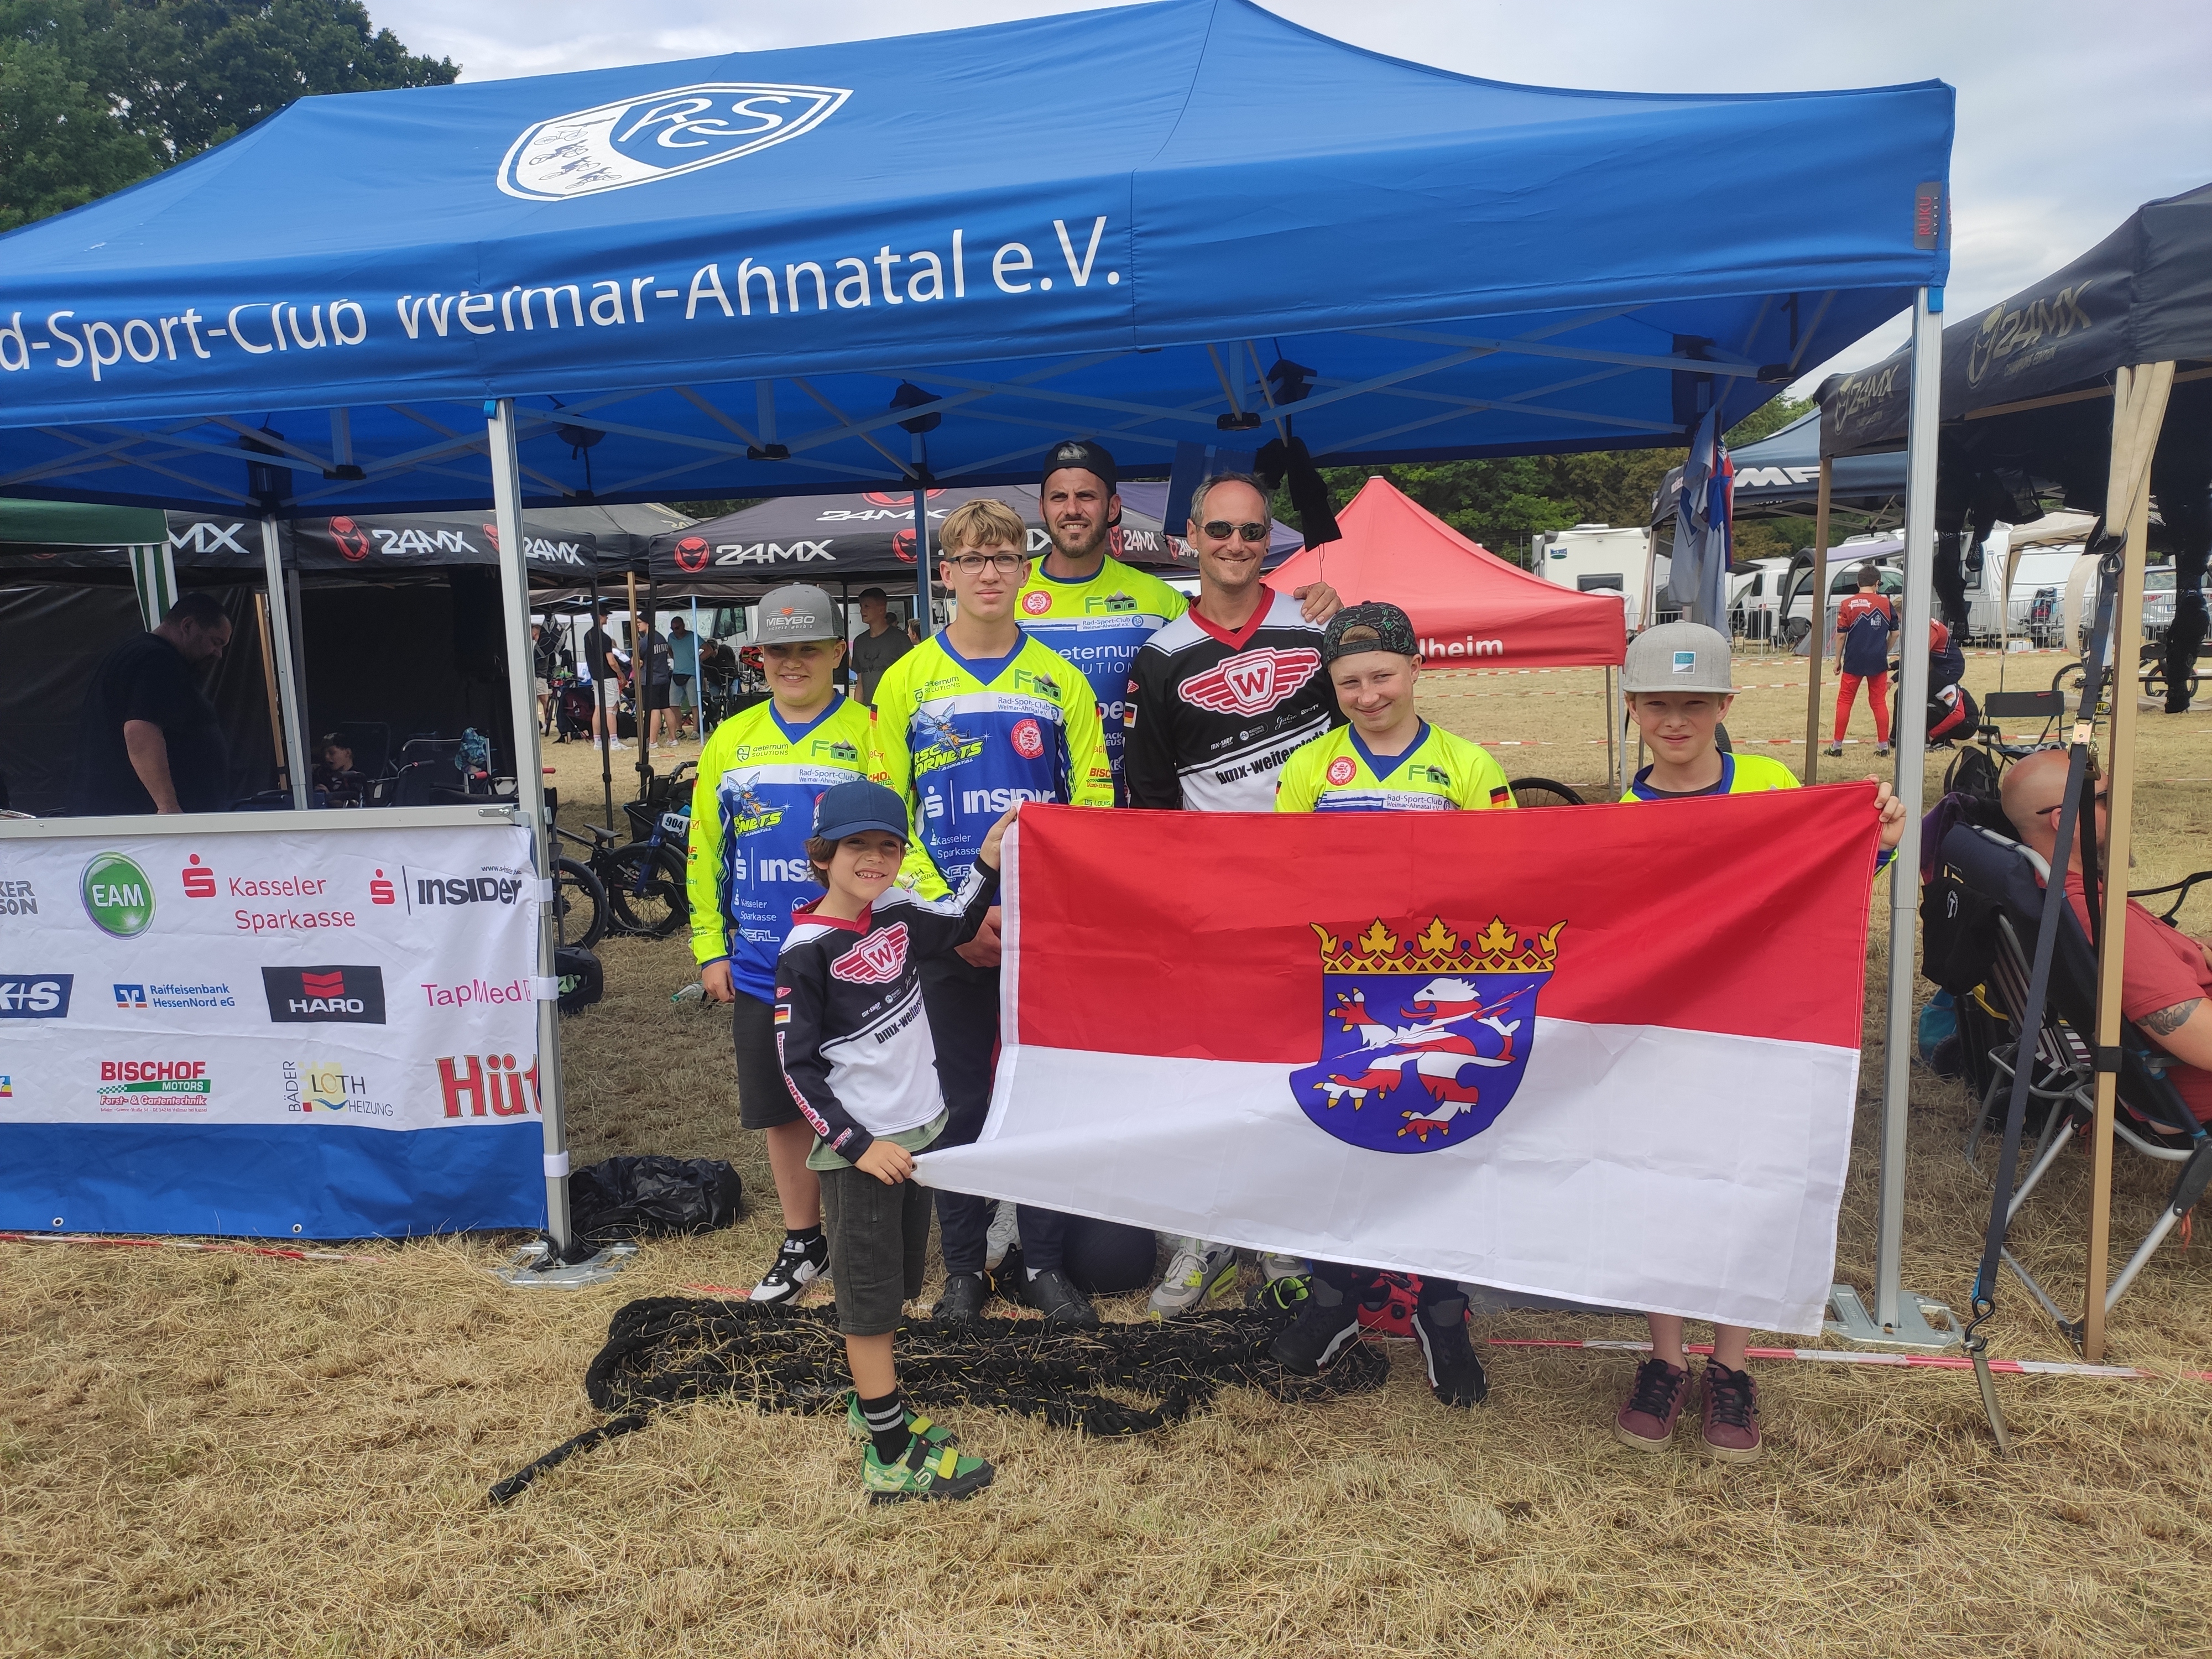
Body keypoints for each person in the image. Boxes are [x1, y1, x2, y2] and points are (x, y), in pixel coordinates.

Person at [1614, 622, 1905, 1462]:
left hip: (1760, 1030)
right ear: (1634, 708)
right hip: (1663, 1036)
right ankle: (1665, 1360)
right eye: (1660, 706)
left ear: (1724, 706)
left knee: (1746, 1186)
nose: (1677, 721)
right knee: (1665, 1189)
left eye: (1694, 705)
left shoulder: (1772, 785)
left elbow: (1824, 882)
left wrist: (1875, 846)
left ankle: (1731, 1367)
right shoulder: (1622, 814)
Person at [869, 496, 1114, 1326]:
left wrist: (1042, 913)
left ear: (1023, 568)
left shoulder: (1060, 680)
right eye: (971, 558)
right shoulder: (904, 683)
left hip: (1042, 935)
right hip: (948, 937)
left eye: (1004, 556)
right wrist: (959, 922)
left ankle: (1042, 1266)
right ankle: (966, 1273)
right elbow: (883, 824)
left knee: (1040, 1096)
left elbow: (1095, 811)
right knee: (961, 1104)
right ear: (945, 574)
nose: (988, 572)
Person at [1266, 603, 1511, 1408]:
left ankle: (1443, 1313)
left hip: (1443, 996)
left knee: (1442, 1144)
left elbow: (1510, 879)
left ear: (1414, 670)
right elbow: (1283, 879)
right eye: (1348, 683)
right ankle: (1336, 1300)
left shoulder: (1468, 765)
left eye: (1380, 676)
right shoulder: (1310, 768)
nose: (1367, 695)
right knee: (1341, 1141)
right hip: (1344, 992)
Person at [1124, 471, 1348, 1314]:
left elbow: (1373, 727)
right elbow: (1149, 801)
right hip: (1214, 902)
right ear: (1190, 536)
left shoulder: (1318, 626)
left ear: (1270, 541)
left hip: (1310, 893)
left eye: (1251, 533)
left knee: (1297, 1066)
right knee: (1210, 1074)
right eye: (1219, 531)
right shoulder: (1162, 654)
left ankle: (1287, 1243)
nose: (1234, 546)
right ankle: (1205, 1236)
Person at [776, 778, 1010, 1503]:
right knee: (871, 1302)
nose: (873, 859)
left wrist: (989, 862)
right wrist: (855, 1145)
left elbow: (956, 922)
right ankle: (888, 1452)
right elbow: (797, 1068)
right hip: (865, 1154)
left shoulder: (901, 911)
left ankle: (872, 1404)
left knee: (904, 1280)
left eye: (887, 845)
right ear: (822, 856)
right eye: (856, 846)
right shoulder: (806, 950)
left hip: (914, 1136)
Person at [688, 583, 876, 1305]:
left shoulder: (869, 731)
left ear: (838, 651)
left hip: (853, 962)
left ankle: (863, 1237)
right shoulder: (730, 740)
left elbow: (895, 844)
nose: (792, 663)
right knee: (782, 1108)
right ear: (756, 655)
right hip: (763, 967)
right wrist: (710, 948)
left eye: (808, 648)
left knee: (860, 1102)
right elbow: (707, 852)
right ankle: (805, 1242)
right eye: (778, 650)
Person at [1016, 438, 1338, 801]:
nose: (1072, 509)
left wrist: (1326, 612)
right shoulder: (1008, 597)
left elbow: (1221, 632)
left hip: (1125, 807)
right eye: (1059, 498)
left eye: (1087, 497)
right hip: (1038, 802)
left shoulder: (1159, 599)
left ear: (1113, 507)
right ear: (1042, 507)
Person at [2000, 748, 2212, 1122]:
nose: (2123, 812)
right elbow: (2198, 1037)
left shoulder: (2057, 896)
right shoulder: (2103, 921)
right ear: (2066, 821)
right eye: (2106, 801)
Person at [69, 591, 233, 816]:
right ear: (188, 626)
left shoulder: (135, 653)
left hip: (121, 812)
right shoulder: (159, 660)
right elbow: (140, 730)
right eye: (216, 642)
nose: (218, 654)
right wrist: (168, 807)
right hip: (139, 819)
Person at [1827, 564, 1895, 759]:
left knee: (1845, 700)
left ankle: (1837, 746)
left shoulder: (1847, 604)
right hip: (1878, 660)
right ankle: (1883, 746)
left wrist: (1837, 660)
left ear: (1858, 582)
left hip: (1854, 660)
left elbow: (1841, 636)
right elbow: (1895, 633)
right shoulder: (1885, 603)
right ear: (1877, 584)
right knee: (1878, 701)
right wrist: (1885, 650)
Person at [849, 586, 912, 707]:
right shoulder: (860, 642)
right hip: (869, 709)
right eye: (861, 606)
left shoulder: (900, 639)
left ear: (881, 610)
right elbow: (861, 682)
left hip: (896, 708)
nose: (862, 611)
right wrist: (857, 711)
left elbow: (911, 677)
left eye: (867, 606)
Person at [583, 606, 627, 751]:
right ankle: (614, 741)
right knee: (611, 709)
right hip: (608, 677)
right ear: (600, 616)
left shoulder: (587, 636)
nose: (607, 618)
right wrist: (621, 675)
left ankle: (598, 742)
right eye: (606, 615)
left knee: (598, 707)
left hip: (595, 677)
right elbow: (612, 661)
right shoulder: (605, 638)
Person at [638, 619, 677, 749]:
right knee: (666, 707)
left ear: (648, 622)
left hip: (651, 680)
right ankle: (673, 738)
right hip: (664, 677)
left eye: (640, 622)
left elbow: (636, 659)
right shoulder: (661, 638)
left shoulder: (645, 641)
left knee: (653, 709)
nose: (638, 624)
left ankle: (653, 742)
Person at [667, 615, 699, 742]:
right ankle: (680, 729)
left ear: (683, 626)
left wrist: (697, 661)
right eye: (673, 628)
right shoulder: (671, 637)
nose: (675, 630)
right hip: (677, 674)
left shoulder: (692, 636)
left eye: (677, 628)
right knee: (673, 704)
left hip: (691, 674)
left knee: (694, 705)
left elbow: (708, 649)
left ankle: (696, 730)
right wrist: (675, 658)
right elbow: (669, 649)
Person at [312, 734, 366, 808]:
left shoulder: (357, 777)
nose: (327, 757)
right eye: (325, 754)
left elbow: (354, 807)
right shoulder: (321, 774)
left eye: (332, 753)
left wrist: (328, 796)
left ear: (347, 753)